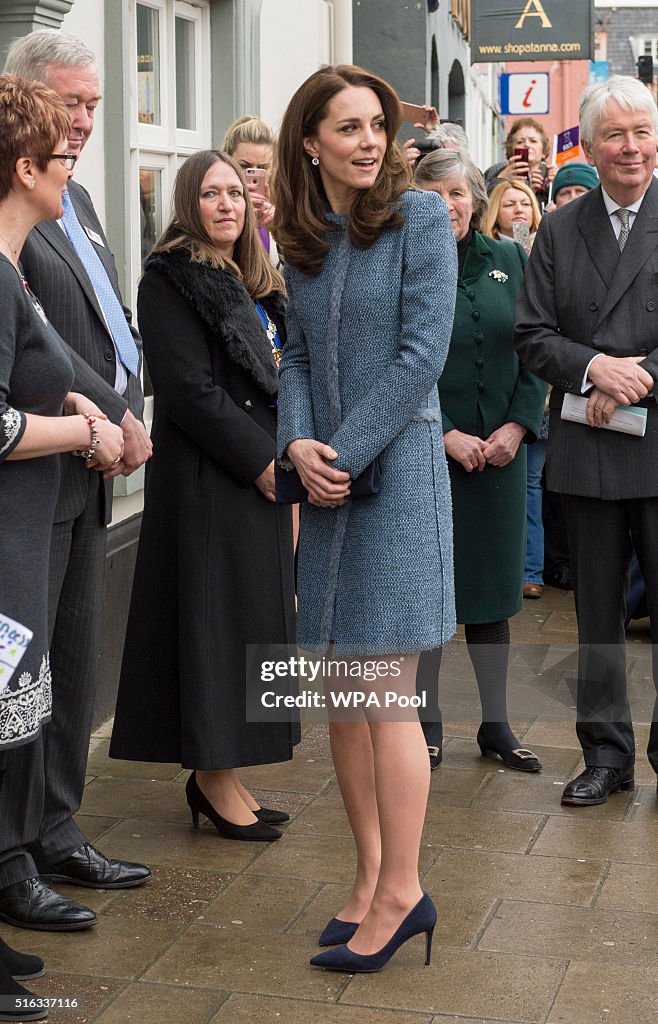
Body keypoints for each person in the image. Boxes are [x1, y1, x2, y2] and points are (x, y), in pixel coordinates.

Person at [273, 64, 457, 972]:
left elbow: (425, 353)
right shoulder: (302, 236)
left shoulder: (420, 217)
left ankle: (404, 891)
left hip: (400, 477)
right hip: (333, 487)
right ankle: (367, 876)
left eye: (376, 124)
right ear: (309, 142)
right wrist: (298, 444)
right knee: (346, 700)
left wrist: (339, 452)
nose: (368, 140)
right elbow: (296, 358)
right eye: (346, 127)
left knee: (386, 697)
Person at [0, 31, 152, 932]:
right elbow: (34, 350)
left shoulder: (79, 195)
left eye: (96, 105)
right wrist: (104, 421)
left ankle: (54, 828)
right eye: (73, 105)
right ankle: (14, 856)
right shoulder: (22, 208)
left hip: (89, 468)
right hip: (38, 478)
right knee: (23, 675)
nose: (88, 123)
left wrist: (125, 413)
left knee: (66, 671)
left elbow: (102, 316)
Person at [109, 150, 297, 841]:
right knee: (218, 631)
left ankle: (229, 770)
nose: (227, 204)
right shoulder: (171, 278)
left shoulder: (258, 279)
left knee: (255, 627)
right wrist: (260, 462)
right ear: (189, 204)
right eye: (211, 194)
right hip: (210, 482)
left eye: (236, 193)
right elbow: (189, 392)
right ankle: (213, 777)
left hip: (262, 473)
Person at [514, 75, 658, 806]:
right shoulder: (560, 230)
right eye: (615, 135)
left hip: (657, 446)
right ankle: (606, 756)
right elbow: (531, 334)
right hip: (588, 449)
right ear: (591, 145)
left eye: (640, 133)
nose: (628, 148)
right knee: (597, 617)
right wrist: (595, 368)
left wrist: (640, 378)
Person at [413, 148, 546, 771]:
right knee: (434, 591)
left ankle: (496, 725)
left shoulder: (511, 259)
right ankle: (426, 725)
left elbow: (535, 348)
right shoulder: (403, 268)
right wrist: (443, 434)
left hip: (501, 458)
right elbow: (396, 364)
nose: (448, 206)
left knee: (493, 595)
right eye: (434, 194)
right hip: (430, 458)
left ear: (475, 199)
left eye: (458, 194)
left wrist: (518, 425)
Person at [523, 162, 599, 599]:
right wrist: (592, 370)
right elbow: (532, 331)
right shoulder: (552, 237)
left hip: (638, 411)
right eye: (565, 192)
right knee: (546, 490)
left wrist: (631, 375)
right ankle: (548, 564)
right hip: (562, 399)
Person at [222, 115, 279, 266]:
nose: (253, 174)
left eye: (263, 168)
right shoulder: (215, 207)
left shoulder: (283, 210)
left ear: (273, 168)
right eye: (245, 166)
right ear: (228, 161)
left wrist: (280, 234)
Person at [485, 117, 556, 206]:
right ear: (511, 149)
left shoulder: (551, 175)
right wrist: (501, 179)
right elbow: (482, 203)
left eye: (533, 141)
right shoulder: (495, 172)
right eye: (520, 142)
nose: (526, 145)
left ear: (543, 151)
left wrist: (557, 184)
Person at [481, 179, 542, 252]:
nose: (519, 210)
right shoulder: (485, 250)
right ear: (495, 213)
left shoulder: (547, 246)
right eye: (509, 205)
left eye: (525, 204)